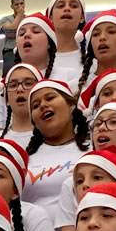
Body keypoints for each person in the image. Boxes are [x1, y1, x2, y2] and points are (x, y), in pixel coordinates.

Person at [23, 78, 92, 217]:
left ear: (71, 105)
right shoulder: (23, 159)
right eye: (35, 106)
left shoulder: (94, 149)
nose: (43, 105)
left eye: (50, 98)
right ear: (34, 122)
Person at [0, 62, 40, 139]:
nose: (20, 89)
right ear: (7, 100)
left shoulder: (56, 138)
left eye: (28, 83)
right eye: (13, 85)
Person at [45, 0, 86, 84]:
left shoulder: (92, 59)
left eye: (74, 6)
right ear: (50, 17)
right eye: (60, 6)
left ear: (82, 17)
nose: (67, 9)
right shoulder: (39, 59)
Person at [0, 0, 26, 68]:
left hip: (26, 50)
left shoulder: (29, 19)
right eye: (16, 4)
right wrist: (19, 15)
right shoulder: (5, 19)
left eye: (21, 3)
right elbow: (9, 32)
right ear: (12, 6)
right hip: (10, 51)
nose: (20, 6)